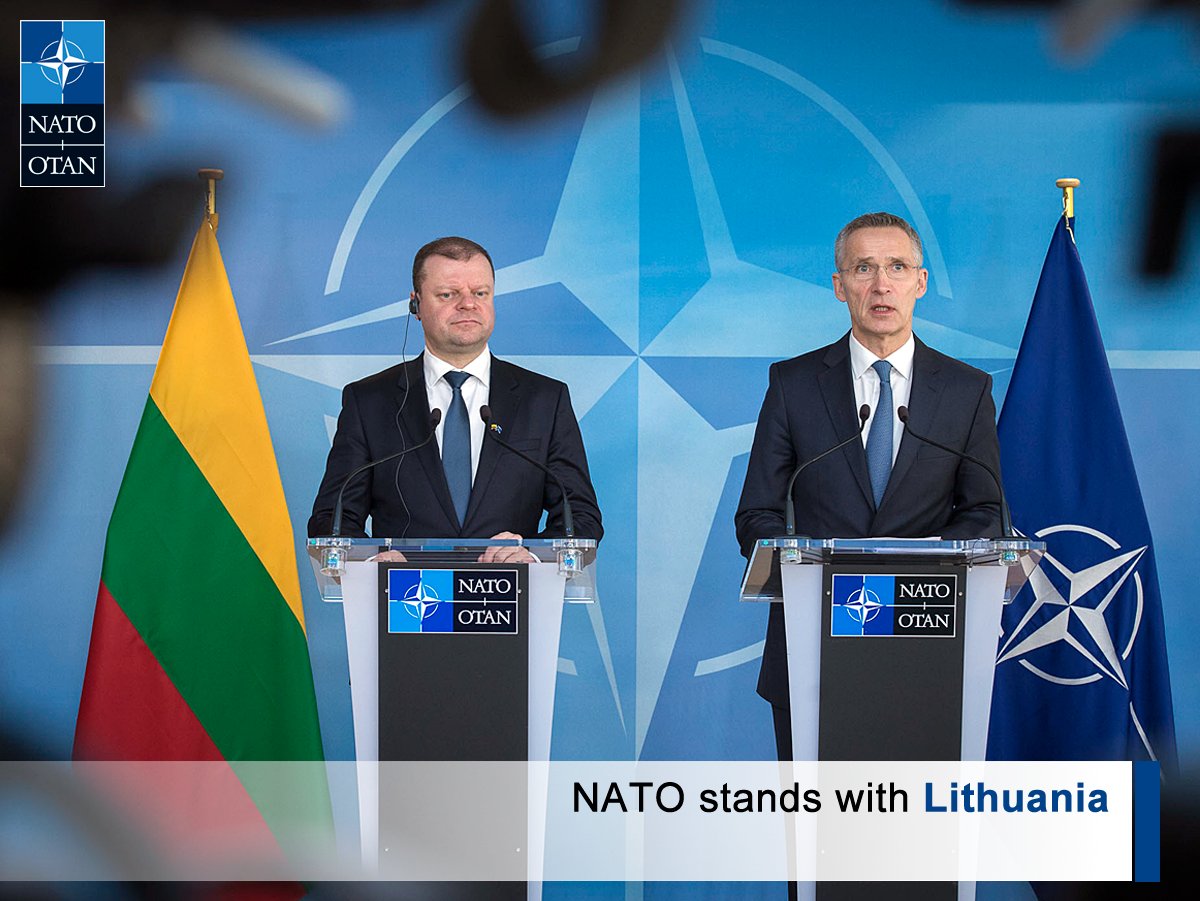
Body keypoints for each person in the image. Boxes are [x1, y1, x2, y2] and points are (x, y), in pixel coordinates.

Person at [734, 212, 1002, 759]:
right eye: (864, 268)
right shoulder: (792, 384)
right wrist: (805, 563)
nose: (881, 284)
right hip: (811, 647)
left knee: (916, 814)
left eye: (897, 267)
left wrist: (930, 561)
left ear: (920, 283)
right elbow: (757, 513)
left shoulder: (965, 389)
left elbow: (987, 510)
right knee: (813, 814)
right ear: (840, 286)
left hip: (927, 640)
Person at [308, 236, 602, 561]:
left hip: (508, 590)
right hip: (405, 590)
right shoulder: (369, 402)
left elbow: (581, 519)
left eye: (480, 293)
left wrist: (530, 558)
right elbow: (331, 522)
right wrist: (370, 565)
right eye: (448, 294)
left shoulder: (545, 400)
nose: (468, 304)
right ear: (416, 305)